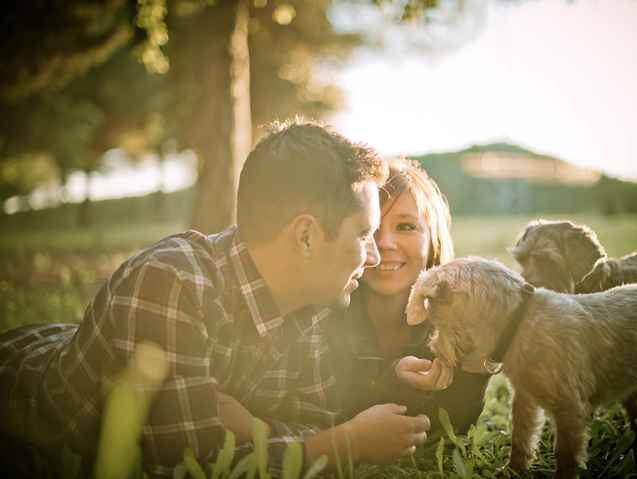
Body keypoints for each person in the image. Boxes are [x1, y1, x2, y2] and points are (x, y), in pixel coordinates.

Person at [0, 120, 430, 477]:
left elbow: (311, 418)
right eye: (362, 234)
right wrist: (345, 444)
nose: (373, 256)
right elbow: (190, 465)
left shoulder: (314, 297)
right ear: (306, 236)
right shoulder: (171, 281)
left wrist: (250, 426)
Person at [328, 157, 490, 433]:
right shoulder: (324, 315)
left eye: (405, 227)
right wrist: (394, 382)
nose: (385, 244)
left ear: (432, 239)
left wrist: (477, 367)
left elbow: (455, 426)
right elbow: (328, 415)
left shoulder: (457, 322)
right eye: (370, 229)